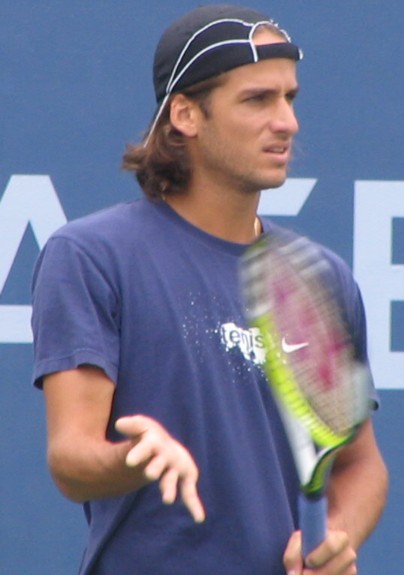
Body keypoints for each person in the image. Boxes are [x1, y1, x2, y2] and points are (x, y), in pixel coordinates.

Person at [31, 4, 388, 575]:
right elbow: (70, 457)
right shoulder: (91, 256)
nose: (287, 122)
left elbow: (362, 466)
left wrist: (335, 540)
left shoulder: (321, 277)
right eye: (257, 100)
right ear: (186, 115)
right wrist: (136, 458)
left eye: (289, 98)